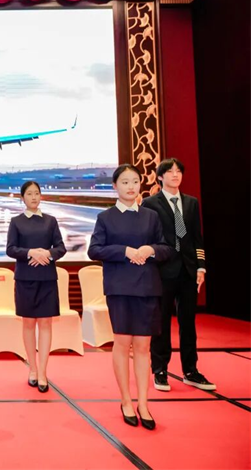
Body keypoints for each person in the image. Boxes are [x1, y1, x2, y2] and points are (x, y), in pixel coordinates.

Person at [88, 164, 174, 430]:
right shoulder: (105, 217)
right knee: (122, 344)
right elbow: (94, 250)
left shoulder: (151, 216)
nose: (130, 187)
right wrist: (124, 251)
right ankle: (126, 400)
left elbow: (167, 248)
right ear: (115, 186)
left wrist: (150, 250)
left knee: (143, 348)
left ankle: (143, 403)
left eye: (135, 181)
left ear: (140, 184)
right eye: (124, 182)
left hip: (147, 287)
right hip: (120, 288)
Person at [142, 158, 215, 391]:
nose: (175, 175)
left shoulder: (191, 202)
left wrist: (201, 266)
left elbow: (197, 237)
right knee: (161, 322)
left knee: (188, 322)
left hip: (188, 270)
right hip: (162, 270)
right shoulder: (150, 203)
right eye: (170, 171)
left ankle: (191, 370)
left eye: (178, 171)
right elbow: (149, 237)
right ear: (160, 177)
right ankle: (160, 369)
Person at [6, 181, 66, 393]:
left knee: (46, 324)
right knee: (29, 324)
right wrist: (30, 253)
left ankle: (43, 371)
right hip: (25, 278)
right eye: (29, 194)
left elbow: (61, 248)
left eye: (37, 193)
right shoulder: (16, 222)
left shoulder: (50, 221)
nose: (34, 197)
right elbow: (11, 249)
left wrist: (47, 254)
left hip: (47, 278)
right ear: (22, 197)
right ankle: (32, 368)